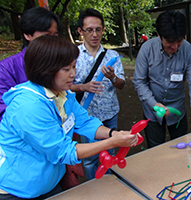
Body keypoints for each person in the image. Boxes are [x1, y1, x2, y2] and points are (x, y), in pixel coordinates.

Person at [0, 35, 139, 199]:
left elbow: (84, 121)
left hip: (48, 182)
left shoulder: (62, 93)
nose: (73, 74)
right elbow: (64, 151)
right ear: (45, 70)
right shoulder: (28, 107)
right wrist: (112, 142)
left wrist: (113, 134)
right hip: (18, 189)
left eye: (74, 66)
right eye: (67, 69)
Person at [133, 10, 191, 148]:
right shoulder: (147, 49)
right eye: (169, 42)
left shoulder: (189, 51)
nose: (174, 47)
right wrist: (154, 104)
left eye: (179, 41)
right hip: (152, 111)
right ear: (159, 35)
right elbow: (139, 81)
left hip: (177, 111)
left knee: (181, 148)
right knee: (155, 150)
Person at [71, 8, 125, 180]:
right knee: (90, 158)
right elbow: (64, 87)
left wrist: (112, 77)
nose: (94, 34)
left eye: (98, 29)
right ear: (80, 31)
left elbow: (122, 84)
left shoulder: (112, 55)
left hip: (110, 113)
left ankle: (109, 185)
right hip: (86, 116)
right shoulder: (73, 56)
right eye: (89, 30)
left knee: (109, 153)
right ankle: (93, 190)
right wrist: (83, 87)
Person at [0, 6, 60, 122]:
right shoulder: (6, 69)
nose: (52, 42)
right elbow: (3, 111)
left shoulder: (59, 65)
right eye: (46, 36)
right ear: (27, 35)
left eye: (55, 36)